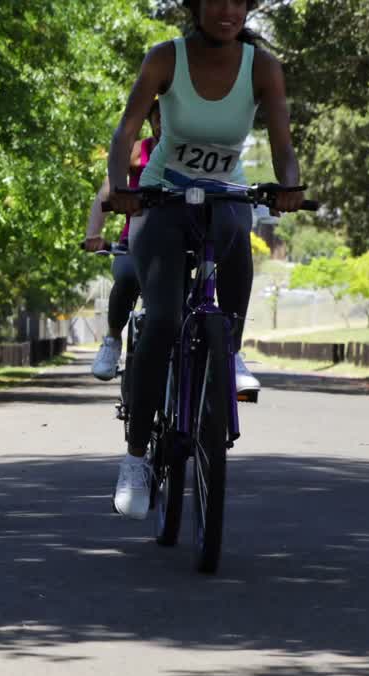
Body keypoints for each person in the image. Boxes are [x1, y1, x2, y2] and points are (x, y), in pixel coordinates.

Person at [104, 0, 305, 519]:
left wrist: (288, 186)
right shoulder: (164, 59)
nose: (228, 10)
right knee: (165, 318)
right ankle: (134, 459)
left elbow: (283, 143)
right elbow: (126, 131)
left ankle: (231, 350)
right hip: (162, 198)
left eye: (239, 1)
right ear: (194, 6)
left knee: (237, 229)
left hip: (225, 193)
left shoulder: (263, 67)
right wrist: (124, 190)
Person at [85, 100, 162, 381]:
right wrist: (93, 234)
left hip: (180, 242)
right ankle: (113, 340)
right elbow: (106, 193)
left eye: (171, 116)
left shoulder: (192, 156)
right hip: (135, 243)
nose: (164, 123)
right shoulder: (135, 152)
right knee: (128, 277)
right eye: (158, 117)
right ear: (151, 121)